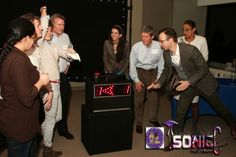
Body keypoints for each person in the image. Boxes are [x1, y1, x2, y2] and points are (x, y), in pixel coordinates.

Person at [148, 27, 236, 139]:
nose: (160, 44)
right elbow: (166, 71)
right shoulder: (166, 54)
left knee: (219, 108)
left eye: (162, 41)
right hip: (187, 87)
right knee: (180, 112)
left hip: (203, 83)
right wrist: (158, 84)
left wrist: (189, 82)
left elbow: (204, 69)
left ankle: (233, 124)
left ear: (170, 40)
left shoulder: (190, 50)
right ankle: (176, 137)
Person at [0, 18, 49, 157]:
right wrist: (41, 81)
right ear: (26, 38)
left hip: (16, 121)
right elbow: (27, 98)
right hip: (19, 125)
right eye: (33, 37)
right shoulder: (18, 60)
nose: (34, 41)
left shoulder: (12, 53)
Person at [176, 19, 209, 133]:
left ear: (194, 29)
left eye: (187, 30)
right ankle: (178, 128)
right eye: (183, 30)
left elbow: (205, 58)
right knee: (181, 105)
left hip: (195, 77)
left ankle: (194, 126)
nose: (185, 32)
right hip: (182, 77)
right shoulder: (179, 40)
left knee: (194, 103)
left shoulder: (201, 40)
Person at [129, 25, 164, 134]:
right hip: (139, 73)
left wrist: (158, 80)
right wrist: (136, 80)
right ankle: (138, 122)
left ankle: (153, 119)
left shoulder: (159, 46)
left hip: (153, 73)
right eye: (142, 36)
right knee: (138, 100)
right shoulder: (136, 47)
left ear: (152, 36)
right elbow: (132, 65)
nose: (143, 39)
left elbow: (161, 64)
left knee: (154, 98)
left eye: (146, 36)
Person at [50, 13, 75, 140]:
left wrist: (69, 63)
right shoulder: (48, 37)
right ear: (52, 25)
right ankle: (48, 131)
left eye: (63, 24)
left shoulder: (66, 36)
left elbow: (71, 50)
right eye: (59, 24)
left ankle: (63, 129)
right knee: (50, 105)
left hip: (63, 75)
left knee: (65, 102)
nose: (62, 27)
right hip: (50, 77)